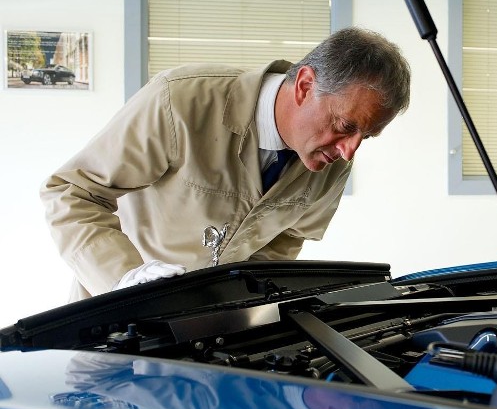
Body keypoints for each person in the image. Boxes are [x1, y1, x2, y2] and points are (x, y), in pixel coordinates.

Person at [40, 27, 410, 301]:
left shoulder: (334, 160)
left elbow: (285, 242)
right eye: (346, 126)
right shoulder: (179, 102)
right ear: (304, 86)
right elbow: (72, 192)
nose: (349, 152)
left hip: (212, 327)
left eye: (366, 137)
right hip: (115, 312)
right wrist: (125, 279)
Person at [54, 352, 441, 409]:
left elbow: (85, 380)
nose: (367, 378)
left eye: (361, 395)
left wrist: (133, 303)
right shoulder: (359, 349)